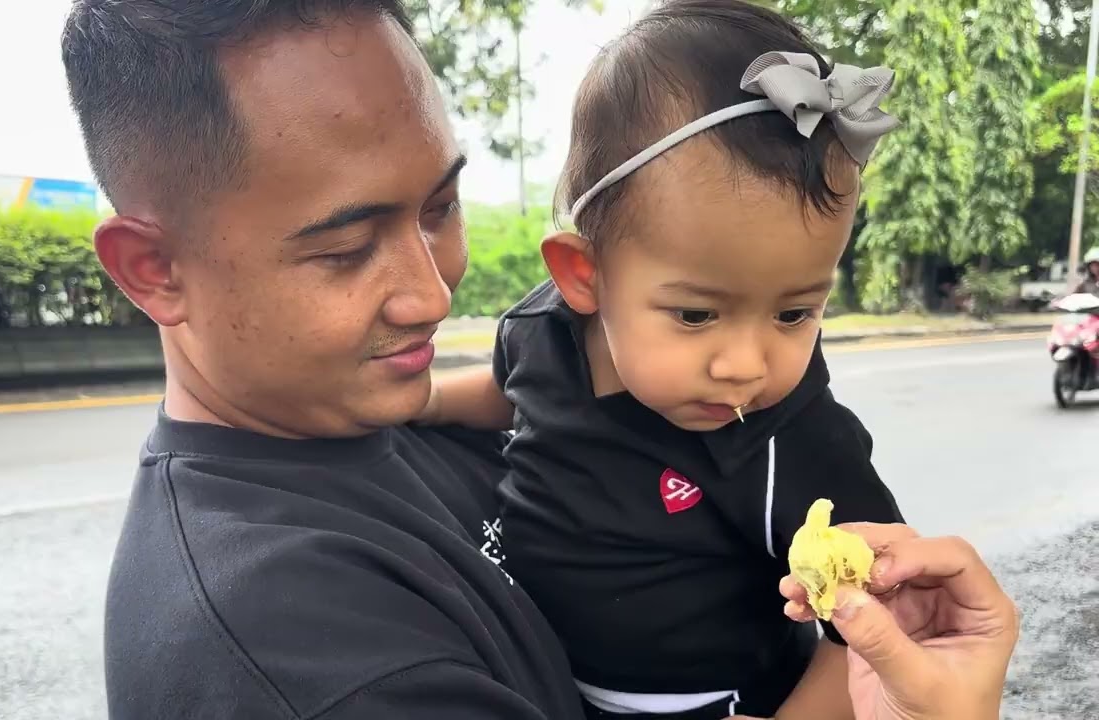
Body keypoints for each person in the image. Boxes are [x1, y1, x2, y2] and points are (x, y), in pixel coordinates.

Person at [59, 1, 1018, 718]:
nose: (434, 294)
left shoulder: (388, 411)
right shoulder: (300, 658)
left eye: (439, 207)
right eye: (344, 248)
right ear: (154, 269)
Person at [419, 2, 905, 718]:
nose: (745, 366)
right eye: (697, 314)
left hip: (712, 703)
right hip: (542, 676)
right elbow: (510, 390)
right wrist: (422, 400)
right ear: (585, 277)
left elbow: (868, 634)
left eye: (793, 312)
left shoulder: (792, 442)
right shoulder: (540, 331)